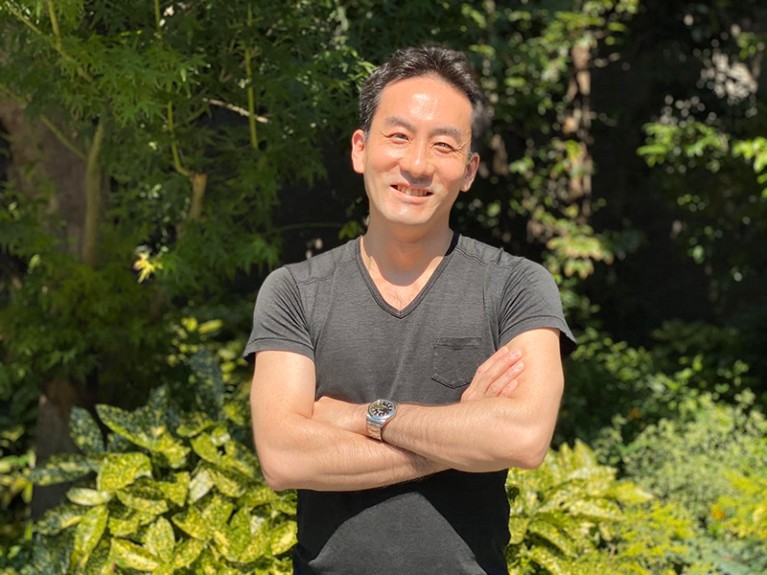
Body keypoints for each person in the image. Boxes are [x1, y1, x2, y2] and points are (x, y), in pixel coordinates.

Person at [246, 45, 576, 574]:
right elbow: (284, 458)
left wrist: (362, 417)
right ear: (360, 148)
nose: (417, 164)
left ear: (469, 171)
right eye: (398, 136)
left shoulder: (516, 286)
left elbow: (522, 437)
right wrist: (464, 436)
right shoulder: (294, 291)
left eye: (443, 145)